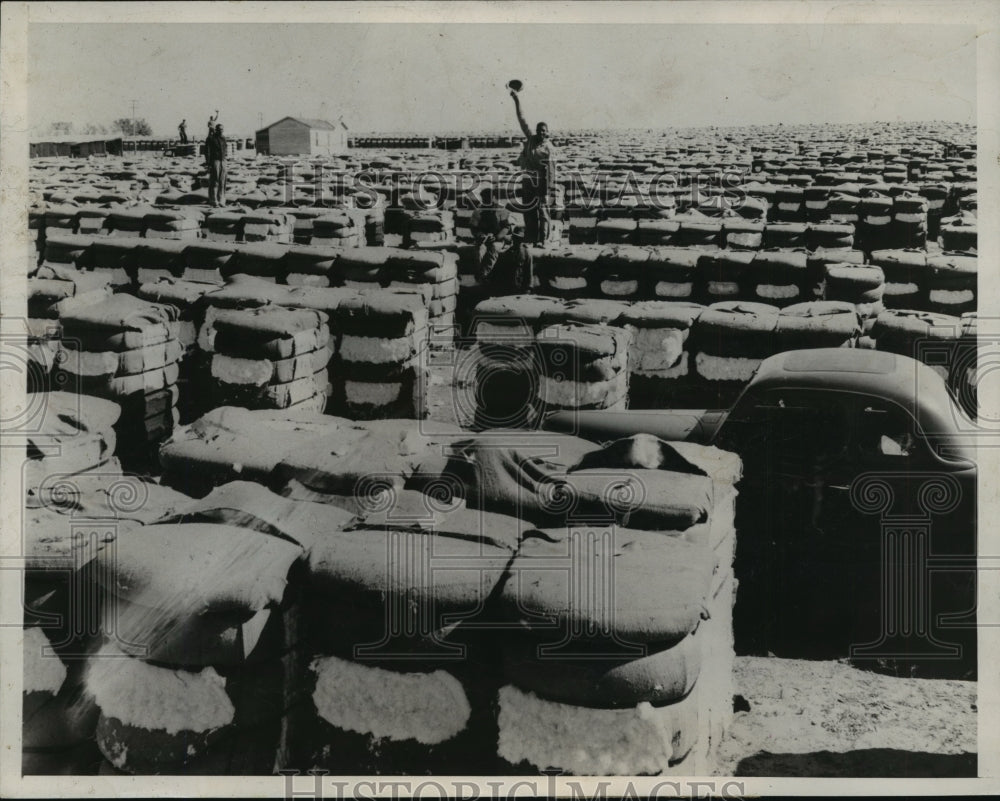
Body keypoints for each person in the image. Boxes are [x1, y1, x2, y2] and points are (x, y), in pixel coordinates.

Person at [511, 89, 557, 246]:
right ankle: (531, 237)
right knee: (528, 210)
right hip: (528, 180)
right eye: (539, 130)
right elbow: (522, 119)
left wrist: (547, 190)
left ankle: (544, 239)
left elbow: (551, 171)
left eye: (543, 131)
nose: (541, 133)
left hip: (542, 183)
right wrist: (516, 99)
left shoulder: (549, 149)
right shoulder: (530, 139)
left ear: (547, 133)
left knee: (543, 211)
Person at [471, 187, 513, 286]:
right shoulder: (478, 211)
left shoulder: (501, 210)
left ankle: (484, 274)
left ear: (494, 197)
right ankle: (479, 276)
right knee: (479, 251)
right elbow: (473, 228)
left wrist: (497, 237)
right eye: (485, 199)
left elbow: (506, 227)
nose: (487, 201)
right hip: (483, 239)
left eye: (489, 198)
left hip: (497, 240)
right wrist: (480, 235)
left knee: (493, 248)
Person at [205, 123, 227, 207]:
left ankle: (221, 199)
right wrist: (208, 163)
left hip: (223, 161)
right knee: (214, 181)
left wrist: (225, 159)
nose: (221, 131)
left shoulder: (223, 138)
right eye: (220, 129)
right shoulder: (211, 138)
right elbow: (207, 152)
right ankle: (213, 200)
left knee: (222, 181)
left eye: (222, 129)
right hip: (215, 161)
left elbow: (225, 149)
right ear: (216, 130)